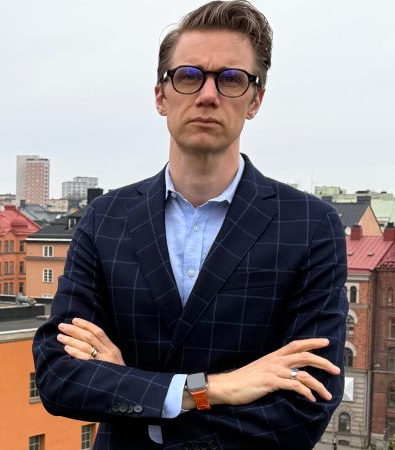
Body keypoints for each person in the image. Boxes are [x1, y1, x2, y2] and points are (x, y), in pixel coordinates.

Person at [31, 1, 347, 449]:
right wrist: (212, 389)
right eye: (189, 76)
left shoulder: (310, 225)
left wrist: (133, 390)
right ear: (161, 96)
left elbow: (307, 401)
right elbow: (59, 377)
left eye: (232, 79)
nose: (208, 94)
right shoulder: (105, 219)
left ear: (255, 100)